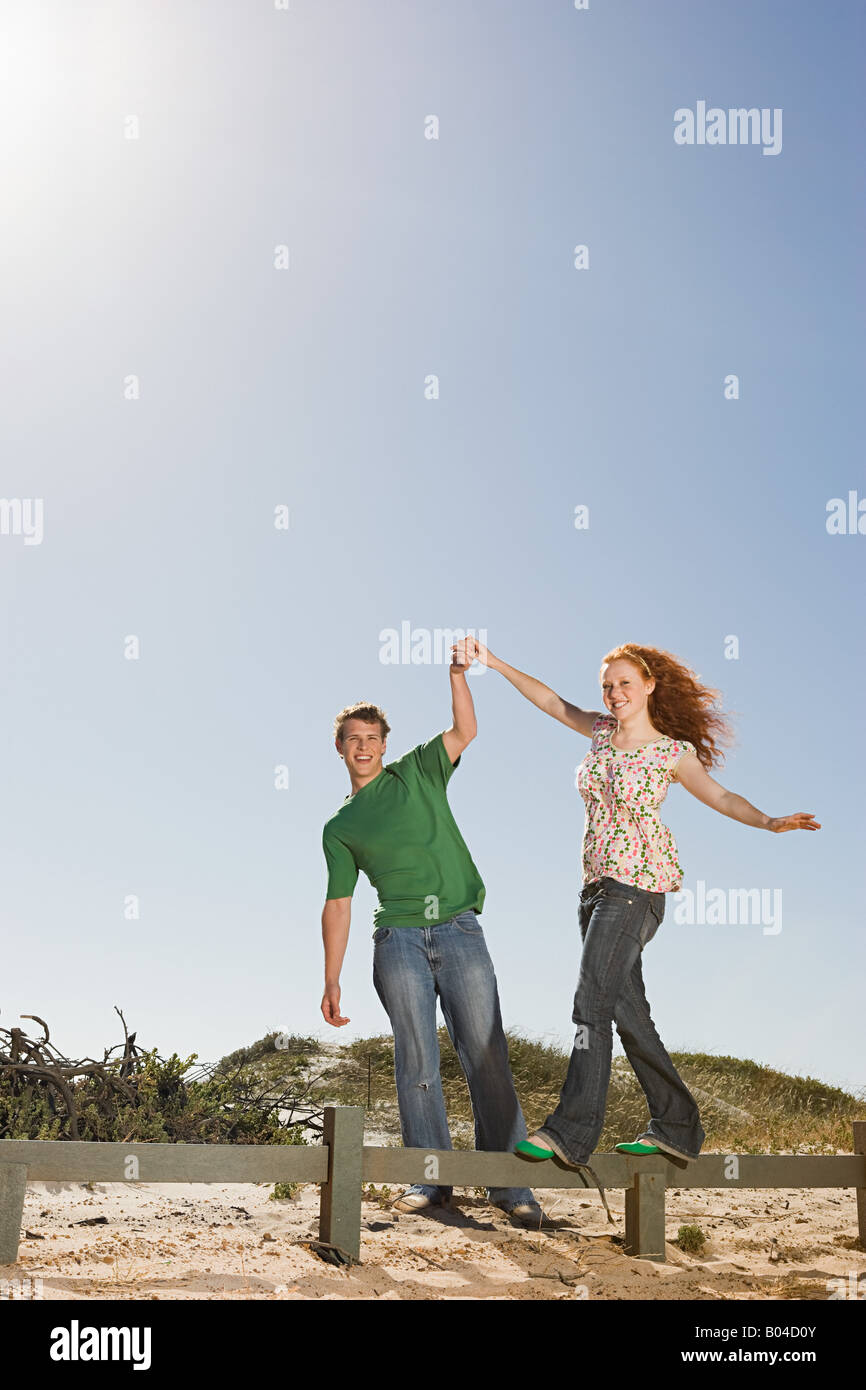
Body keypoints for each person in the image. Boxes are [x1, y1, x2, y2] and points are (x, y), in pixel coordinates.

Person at [457, 637, 820, 1172]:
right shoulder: (601, 734)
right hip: (596, 889)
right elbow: (551, 701)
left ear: (649, 685)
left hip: (637, 888)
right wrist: (493, 662)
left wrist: (768, 821)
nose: (614, 693)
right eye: (607, 685)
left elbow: (721, 797)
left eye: (625, 682)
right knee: (628, 1014)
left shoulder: (671, 753)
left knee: (589, 1003)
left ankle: (570, 1132)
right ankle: (676, 1126)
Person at [320, 646, 542, 1225]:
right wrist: (331, 978)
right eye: (352, 738)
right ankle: (432, 1182)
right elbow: (338, 903)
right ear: (339, 747)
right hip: (397, 941)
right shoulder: (339, 827)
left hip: (460, 929)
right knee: (415, 1058)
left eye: (371, 736)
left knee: (487, 1054)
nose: (363, 746)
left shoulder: (418, 770)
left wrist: (456, 675)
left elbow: (465, 729)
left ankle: (512, 1187)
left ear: (384, 744)